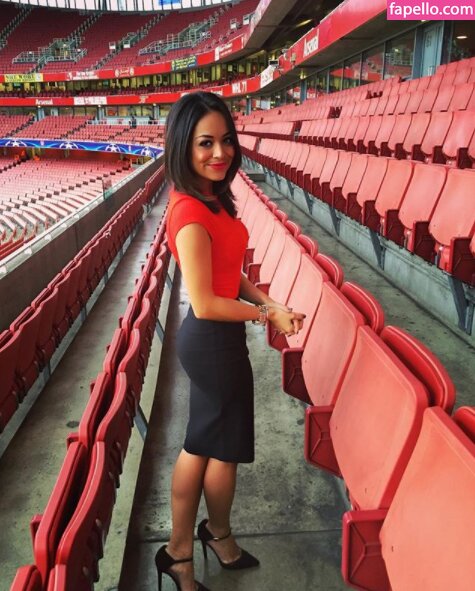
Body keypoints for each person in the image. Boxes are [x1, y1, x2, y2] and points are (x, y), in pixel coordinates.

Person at [157, 91, 305, 591]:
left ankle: (188, 548)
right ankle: (198, 544)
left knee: (204, 444)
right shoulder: (190, 213)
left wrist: (268, 301)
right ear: (183, 145)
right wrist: (267, 315)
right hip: (212, 342)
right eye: (205, 143)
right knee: (217, 448)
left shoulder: (211, 199)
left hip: (216, 341)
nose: (220, 152)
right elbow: (206, 302)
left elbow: (229, 274)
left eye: (226, 140)